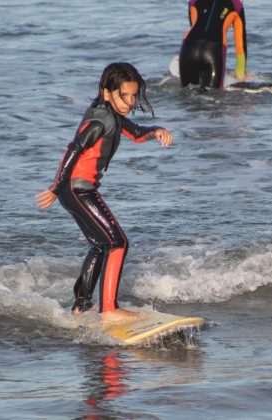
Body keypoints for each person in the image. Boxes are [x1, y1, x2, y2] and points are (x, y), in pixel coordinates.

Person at [36, 62, 173, 324]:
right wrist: (55, 187)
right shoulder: (101, 120)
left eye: (134, 96)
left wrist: (156, 131)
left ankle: (81, 307)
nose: (131, 101)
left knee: (101, 245)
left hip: (75, 190)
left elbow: (135, 133)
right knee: (118, 242)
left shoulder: (111, 115)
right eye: (125, 95)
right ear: (107, 92)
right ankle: (109, 310)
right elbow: (73, 149)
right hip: (78, 189)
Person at [179, 0, 247, 90]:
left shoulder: (193, 1)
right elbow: (240, 45)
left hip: (188, 49)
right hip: (213, 51)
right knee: (213, 99)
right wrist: (240, 73)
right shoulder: (236, 5)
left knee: (187, 98)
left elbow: (195, 26)